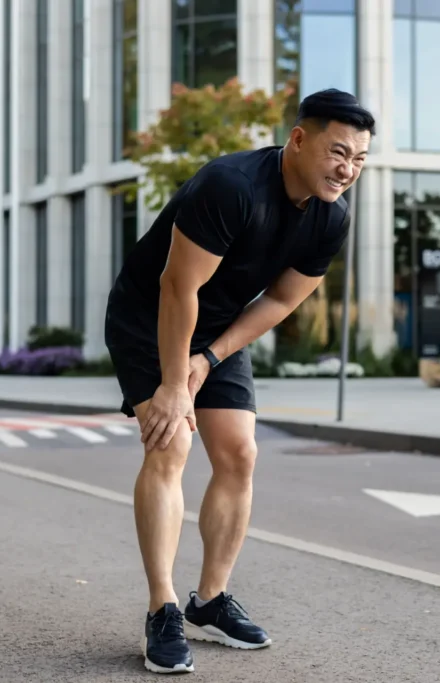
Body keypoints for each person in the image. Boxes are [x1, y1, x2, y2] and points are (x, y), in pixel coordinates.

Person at [104, 88, 375, 674]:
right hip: (150, 316)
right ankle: (163, 609)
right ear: (299, 139)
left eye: (358, 160)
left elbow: (280, 299)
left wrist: (211, 357)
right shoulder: (230, 186)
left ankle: (210, 601)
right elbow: (178, 289)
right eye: (338, 152)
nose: (346, 170)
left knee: (239, 454)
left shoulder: (332, 217)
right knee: (171, 440)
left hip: (219, 325)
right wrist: (177, 382)